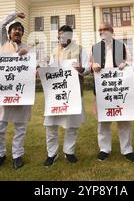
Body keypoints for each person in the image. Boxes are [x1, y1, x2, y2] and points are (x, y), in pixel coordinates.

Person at [0, 12, 32, 171]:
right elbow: (1, 24)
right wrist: (15, 15)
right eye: (14, 29)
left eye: (20, 30)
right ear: (9, 33)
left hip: (21, 93)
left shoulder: (29, 49)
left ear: (22, 34)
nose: (17, 31)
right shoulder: (4, 44)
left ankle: (17, 155)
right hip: (2, 91)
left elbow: (33, 67)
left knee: (20, 127)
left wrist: (26, 56)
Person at [89, 22, 134, 163]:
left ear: (112, 31)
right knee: (103, 121)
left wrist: (126, 64)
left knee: (124, 120)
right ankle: (104, 149)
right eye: (100, 29)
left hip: (120, 89)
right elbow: (88, 66)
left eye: (105, 29)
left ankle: (127, 149)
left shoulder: (121, 46)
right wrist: (93, 65)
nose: (102, 31)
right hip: (102, 90)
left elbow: (132, 63)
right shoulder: (94, 48)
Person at [43, 25, 89, 166]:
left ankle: (69, 152)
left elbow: (87, 69)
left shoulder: (81, 49)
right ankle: (52, 154)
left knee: (72, 125)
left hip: (73, 93)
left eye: (63, 36)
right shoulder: (54, 50)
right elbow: (50, 69)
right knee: (51, 125)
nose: (60, 38)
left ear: (70, 36)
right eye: (59, 36)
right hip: (56, 94)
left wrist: (81, 68)